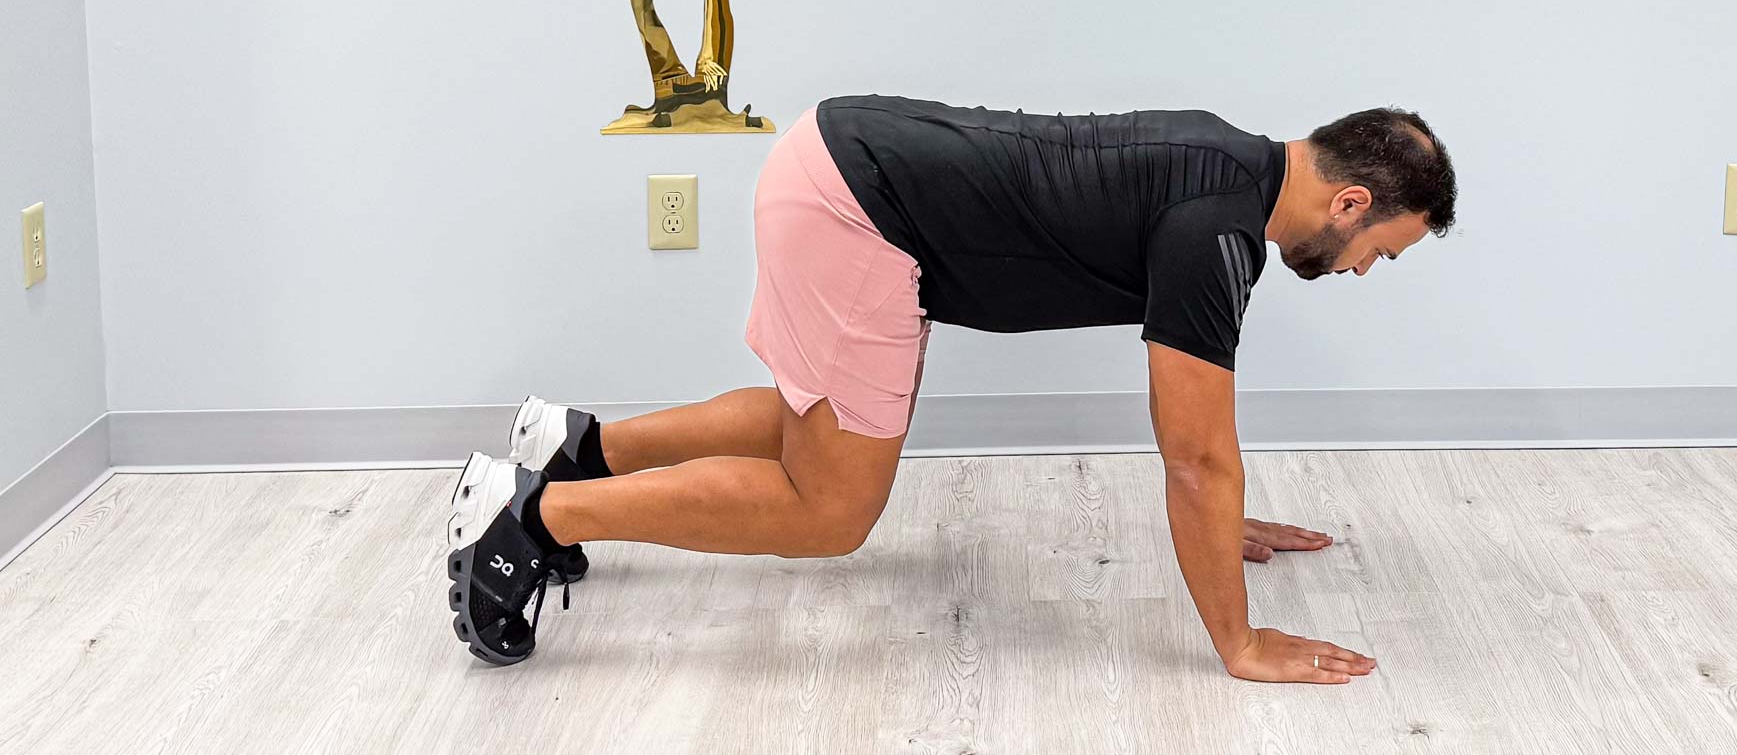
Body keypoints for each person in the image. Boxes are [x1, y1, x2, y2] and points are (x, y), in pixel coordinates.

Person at [445, 94, 1457, 682]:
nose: (1366, 269)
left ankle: (579, 450)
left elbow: (1203, 470)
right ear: (1350, 201)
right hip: (860, 208)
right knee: (831, 505)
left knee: (821, 428)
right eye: (1381, 250)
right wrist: (1236, 640)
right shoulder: (1216, 236)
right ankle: (533, 519)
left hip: (838, 161)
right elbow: (1194, 460)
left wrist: (1218, 518)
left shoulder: (1222, 162)